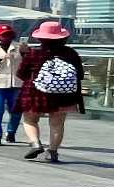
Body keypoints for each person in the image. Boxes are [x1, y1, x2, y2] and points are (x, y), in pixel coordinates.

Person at [14, 20, 85, 163]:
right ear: (63, 38)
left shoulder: (33, 54)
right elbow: (80, 75)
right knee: (57, 124)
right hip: (64, 95)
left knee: (30, 120)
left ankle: (35, 144)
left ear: (40, 38)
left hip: (35, 93)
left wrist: (23, 55)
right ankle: (52, 152)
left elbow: (21, 74)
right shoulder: (71, 54)